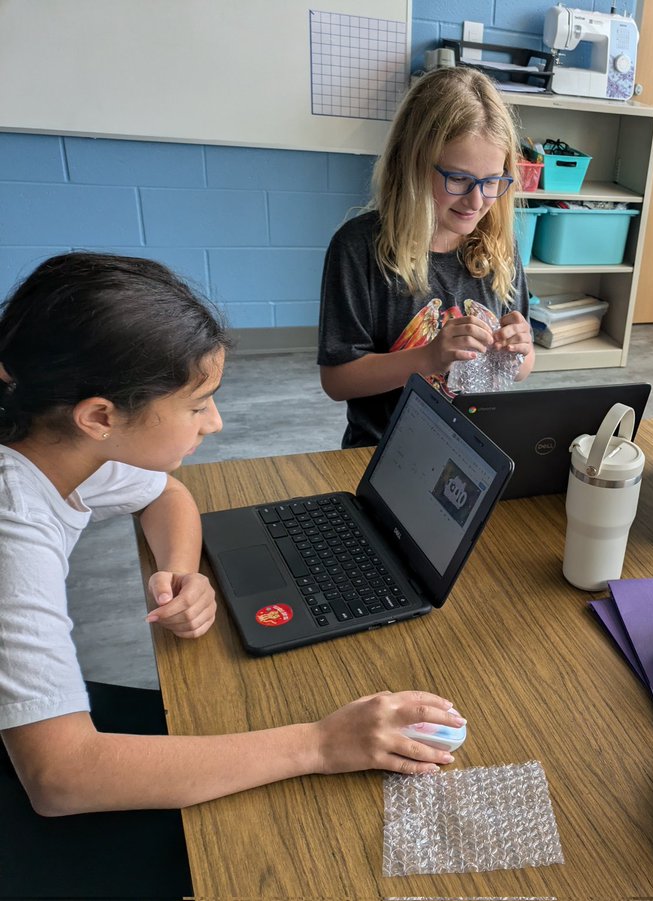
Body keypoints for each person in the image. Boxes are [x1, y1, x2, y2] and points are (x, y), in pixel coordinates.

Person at [0, 253, 466, 898]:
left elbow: (164, 496)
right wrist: (319, 745)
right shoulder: (12, 527)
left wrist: (180, 571)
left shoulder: (48, 432)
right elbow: (62, 779)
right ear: (100, 417)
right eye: (198, 406)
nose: (215, 423)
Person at [319, 67, 535, 448]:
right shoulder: (358, 248)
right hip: (383, 451)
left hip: (476, 450)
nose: (477, 201)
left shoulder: (500, 247)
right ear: (413, 164)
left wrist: (521, 349)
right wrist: (429, 358)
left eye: (492, 182)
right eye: (459, 179)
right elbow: (338, 381)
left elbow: (522, 371)